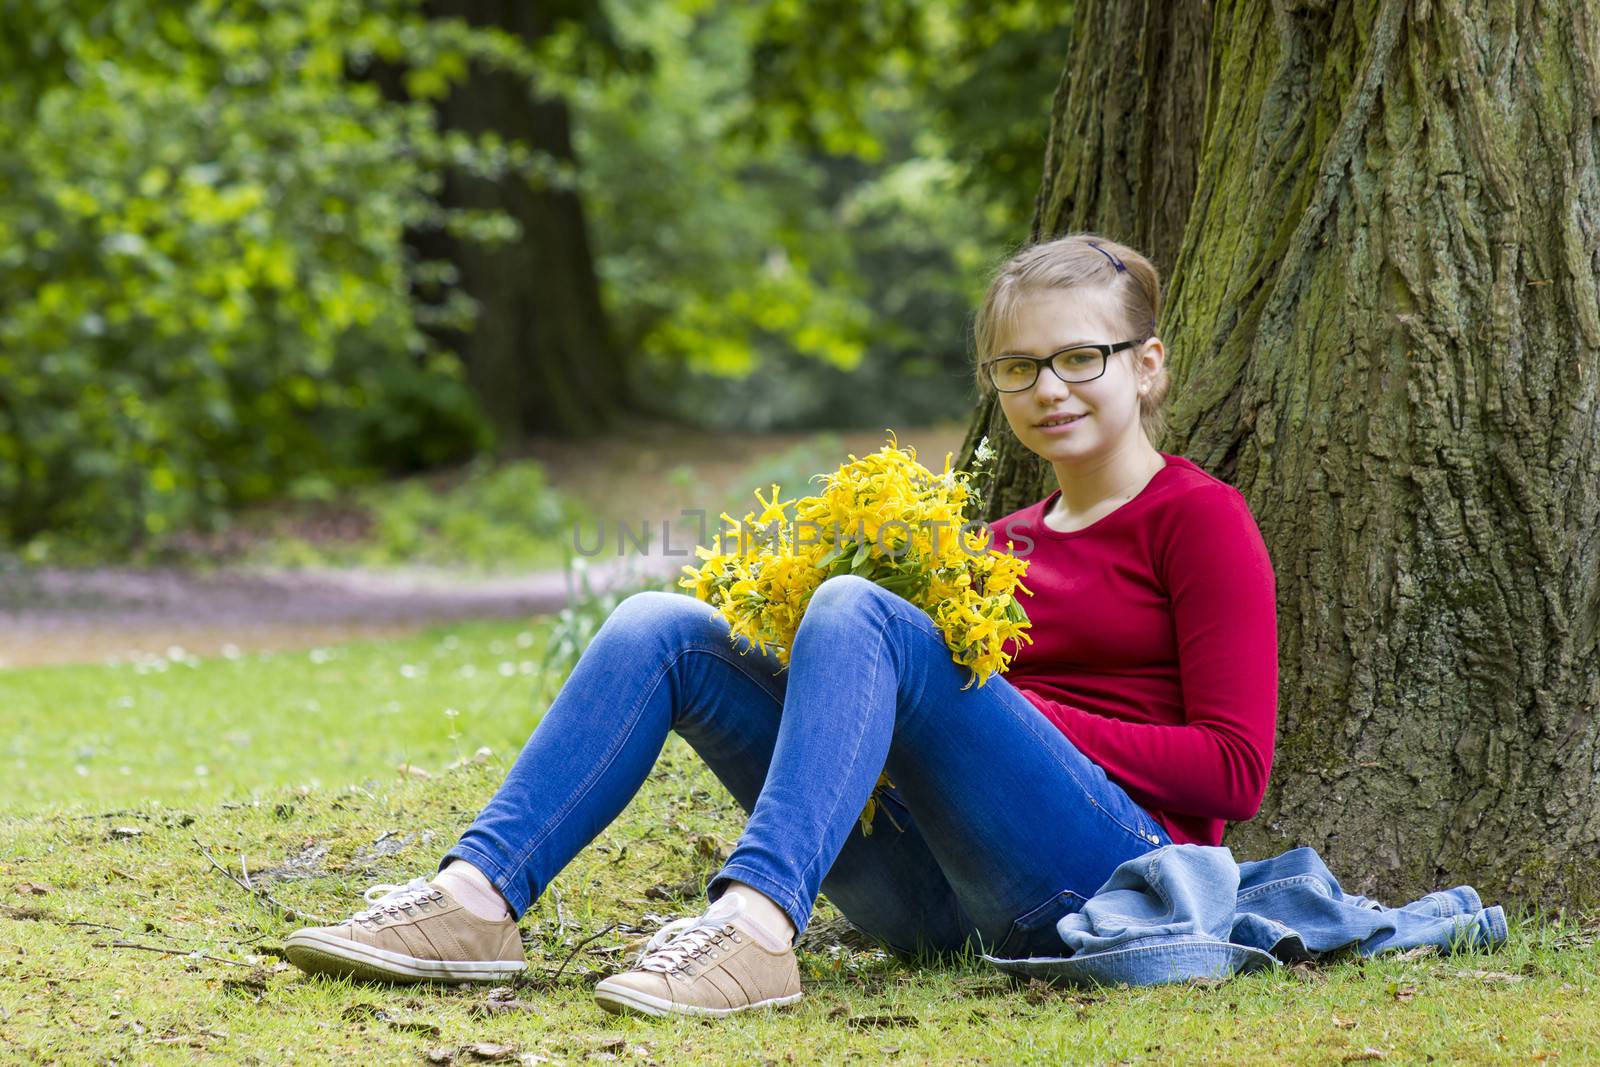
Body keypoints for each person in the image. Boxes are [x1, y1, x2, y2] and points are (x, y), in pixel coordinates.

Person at [283, 232, 1281, 1020]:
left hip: (1102, 883)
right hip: (936, 899)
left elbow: (1231, 771)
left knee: (862, 612)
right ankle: (474, 900)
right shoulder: (995, 541)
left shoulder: (1194, 517)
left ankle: (754, 923)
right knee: (661, 624)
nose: (1048, 388)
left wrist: (1000, 710)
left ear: (1145, 366)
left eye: (1078, 357)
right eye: (1017, 367)